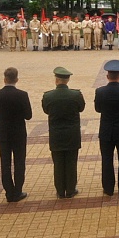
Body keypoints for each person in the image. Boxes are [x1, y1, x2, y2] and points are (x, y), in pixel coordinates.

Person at [42, 67, 86, 198]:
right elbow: (81, 108)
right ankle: (71, 189)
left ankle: (60, 190)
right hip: (72, 134)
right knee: (71, 162)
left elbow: (46, 110)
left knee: (58, 163)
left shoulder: (48, 96)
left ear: (56, 80)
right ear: (68, 80)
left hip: (56, 134)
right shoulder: (76, 95)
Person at [94, 60, 119, 196]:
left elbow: (98, 109)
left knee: (106, 159)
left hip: (106, 130)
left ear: (107, 77)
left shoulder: (100, 91)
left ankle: (108, 188)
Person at [0, 67, 32, 202]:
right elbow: (28, 115)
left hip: (3, 133)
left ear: (4, 79)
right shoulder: (22, 94)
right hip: (19, 133)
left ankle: (9, 192)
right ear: (17, 79)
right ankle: (18, 190)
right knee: (20, 162)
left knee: (5, 163)